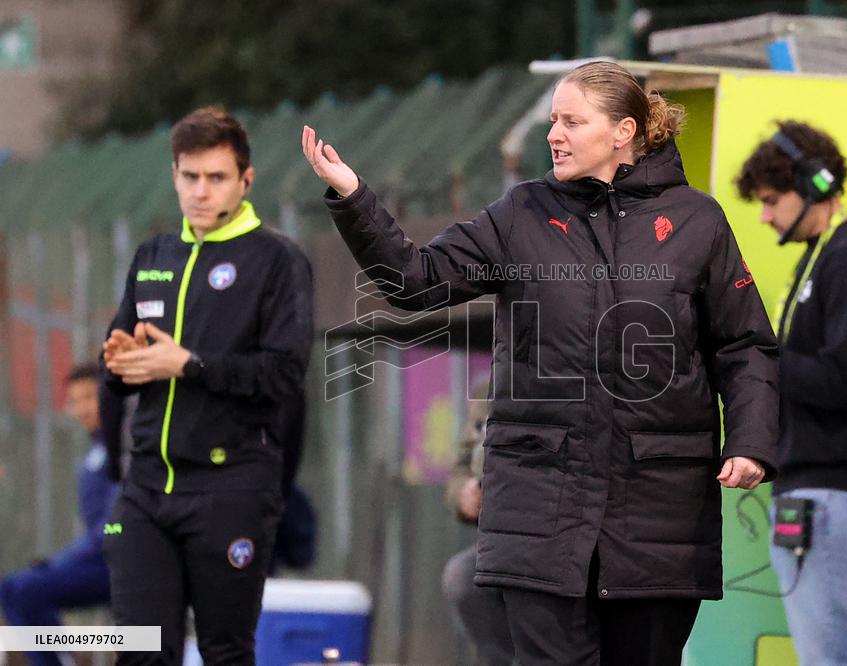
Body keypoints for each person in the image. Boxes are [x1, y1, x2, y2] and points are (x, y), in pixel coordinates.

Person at [303, 61, 779, 666]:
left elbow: (744, 345)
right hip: (540, 512)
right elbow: (415, 282)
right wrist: (353, 197)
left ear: (623, 130)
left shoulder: (697, 221)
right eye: (552, 120)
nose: (553, 134)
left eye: (572, 121)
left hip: (660, 516)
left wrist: (751, 442)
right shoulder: (520, 213)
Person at [101, 106, 314, 665]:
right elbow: (120, 370)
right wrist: (118, 362)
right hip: (147, 488)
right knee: (139, 648)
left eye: (216, 178)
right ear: (174, 175)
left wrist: (189, 365)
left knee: (224, 651)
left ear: (245, 181)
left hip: (232, 488)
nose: (200, 191)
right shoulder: (154, 255)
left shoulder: (277, 260)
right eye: (189, 176)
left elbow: (285, 374)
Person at [736, 120, 847, 666]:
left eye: (770, 200)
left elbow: (843, 380)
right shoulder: (823, 256)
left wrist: (759, 357)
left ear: (813, 183)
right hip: (815, 495)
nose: (764, 217)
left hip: (833, 499)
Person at [0, 363, 120, 666]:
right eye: (74, 401)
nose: (81, 408)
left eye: (89, 397)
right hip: (95, 560)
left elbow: (113, 525)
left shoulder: (124, 449)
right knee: (13, 588)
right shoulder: (94, 451)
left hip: (118, 565)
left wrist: (61, 562)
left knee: (26, 589)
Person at [441, 386, 515, 666]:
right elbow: (460, 469)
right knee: (464, 576)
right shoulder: (492, 389)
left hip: (558, 538)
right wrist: (464, 494)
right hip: (500, 541)